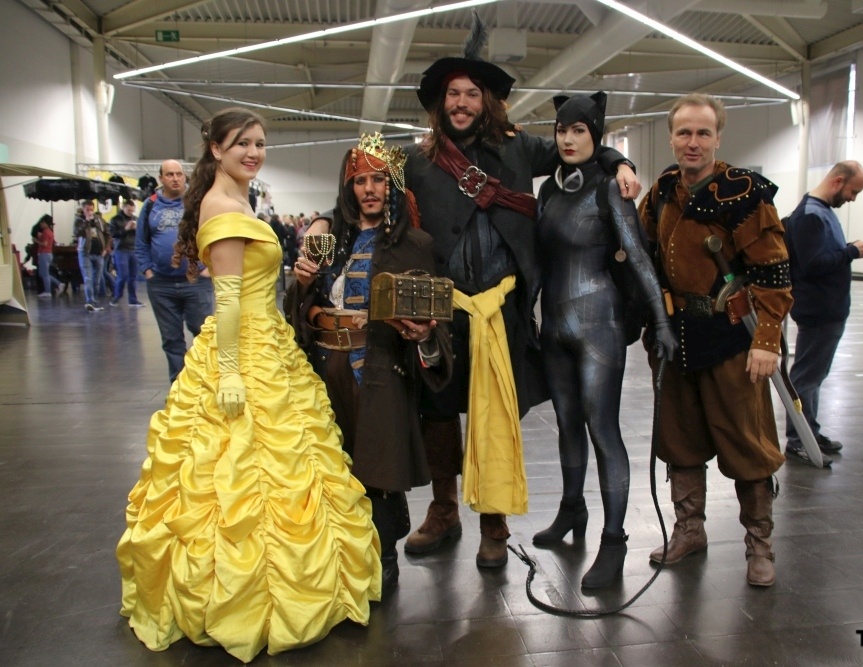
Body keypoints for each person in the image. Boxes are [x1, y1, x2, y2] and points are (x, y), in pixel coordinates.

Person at [116, 108, 379, 663]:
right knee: (241, 469)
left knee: (276, 464)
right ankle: (247, 596)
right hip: (244, 349)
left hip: (267, 341)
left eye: (260, 143)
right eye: (242, 143)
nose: (254, 152)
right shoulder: (221, 205)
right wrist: (232, 372)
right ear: (215, 149)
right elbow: (229, 300)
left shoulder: (239, 201)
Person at [402, 17, 642, 570]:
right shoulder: (416, 160)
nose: (462, 103)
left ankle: (494, 522)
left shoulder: (517, 150)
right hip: (442, 309)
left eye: (471, 94)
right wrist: (325, 223)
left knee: (495, 413)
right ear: (440, 103)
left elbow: (578, 146)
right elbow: (363, 193)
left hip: (502, 308)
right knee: (438, 412)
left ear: (487, 101)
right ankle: (443, 510)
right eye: (453, 94)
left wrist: (621, 161)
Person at [285, 134, 454, 593]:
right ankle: (337, 557)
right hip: (326, 370)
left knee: (378, 470)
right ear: (349, 188)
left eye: (379, 179)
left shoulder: (415, 243)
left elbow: (437, 323)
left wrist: (425, 337)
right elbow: (296, 307)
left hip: (380, 369)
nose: (370, 189)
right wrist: (302, 284)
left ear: (392, 186)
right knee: (331, 466)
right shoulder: (328, 241)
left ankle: (384, 555)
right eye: (360, 181)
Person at [637, 93, 793, 587]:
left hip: (731, 339)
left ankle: (759, 546)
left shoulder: (744, 193)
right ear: (671, 138)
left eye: (703, 133)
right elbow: (641, 254)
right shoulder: (662, 191)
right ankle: (690, 531)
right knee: (679, 440)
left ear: (718, 138)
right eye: (684, 132)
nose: (693, 142)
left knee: (748, 444)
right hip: (675, 336)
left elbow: (774, 271)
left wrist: (766, 340)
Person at [532, 93, 678, 589]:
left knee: (602, 429)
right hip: (554, 326)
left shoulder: (610, 189)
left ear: (595, 135)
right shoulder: (548, 192)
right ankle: (572, 508)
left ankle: (614, 541)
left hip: (600, 326)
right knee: (566, 424)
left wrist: (661, 322)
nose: (568, 139)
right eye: (561, 130)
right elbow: (540, 261)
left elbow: (638, 257)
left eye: (579, 130)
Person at [784, 161, 863, 464]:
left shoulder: (820, 213)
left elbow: (820, 255)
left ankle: (809, 432)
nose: (853, 198)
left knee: (813, 376)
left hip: (827, 309)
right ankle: (799, 439)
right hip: (819, 310)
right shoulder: (810, 216)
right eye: (853, 191)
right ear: (838, 181)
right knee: (806, 377)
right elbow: (813, 265)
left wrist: (849, 248)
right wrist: (852, 252)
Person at [136, 159, 214, 383]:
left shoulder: (197, 202)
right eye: (170, 174)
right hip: (161, 284)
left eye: (179, 174)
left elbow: (213, 234)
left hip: (196, 282)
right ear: (161, 178)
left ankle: (206, 385)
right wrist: (148, 271)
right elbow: (141, 242)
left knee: (204, 335)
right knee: (171, 340)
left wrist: (208, 267)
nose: (175, 178)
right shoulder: (150, 205)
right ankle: (179, 388)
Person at [72, 200, 109, 311]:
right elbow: (76, 233)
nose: (90, 212)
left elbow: (107, 233)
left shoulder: (99, 220)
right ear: (83, 210)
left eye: (91, 209)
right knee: (88, 278)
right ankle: (89, 301)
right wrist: (86, 222)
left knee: (97, 280)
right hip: (85, 252)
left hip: (99, 253)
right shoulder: (79, 220)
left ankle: (94, 300)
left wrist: (105, 248)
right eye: (87, 210)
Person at [108, 199, 142, 307]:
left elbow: (142, 234)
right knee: (123, 275)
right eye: (128, 210)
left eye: (132, 211)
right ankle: (117, 296)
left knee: (133, 276)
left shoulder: (136, 219)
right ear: (123, 207)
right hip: (121, 249)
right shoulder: (115, 219)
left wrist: (138, 229)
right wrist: (125, 229)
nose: (130, 213)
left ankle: (133, 299)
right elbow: (113, 234)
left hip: (134, 249)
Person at [33, 214, 65, 297]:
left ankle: (48, 291)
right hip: (48, 254)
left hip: (44, 254)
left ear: (46, 223)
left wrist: (36, 241)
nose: (41, 224)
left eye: (42, 222)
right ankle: (59, 284)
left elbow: (45, 243)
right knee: (43, 273)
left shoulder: (45, 232)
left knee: (45, 274)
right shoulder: (50, 232)